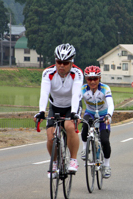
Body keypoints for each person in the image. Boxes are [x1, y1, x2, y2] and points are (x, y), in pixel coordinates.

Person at [34, 43, 83, 177]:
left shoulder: (77, 73)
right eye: (59, 62)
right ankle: (54, 163)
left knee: (69, 126)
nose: (61, 65)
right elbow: (44, 93)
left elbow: (76, 94)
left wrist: (74, 113)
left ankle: (73, 160)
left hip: (71, 106)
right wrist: (41, 111)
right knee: (50, 136)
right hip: (55, 106)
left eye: (65, 63)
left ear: (72, 62)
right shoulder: (48, 73)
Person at [80, 65, 114, 179]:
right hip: (90, 113)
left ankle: (106, 165)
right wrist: (76, 114)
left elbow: (110, 104)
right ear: (86, 79)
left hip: (104, 115)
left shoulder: (105, 88)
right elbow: (76, 102)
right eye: (90, 79)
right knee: (85, 126)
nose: (93, 81)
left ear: (100, 78)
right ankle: (85, 149)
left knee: (105, 140)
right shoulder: (83, 89)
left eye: (95, 78)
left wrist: (109, 115)